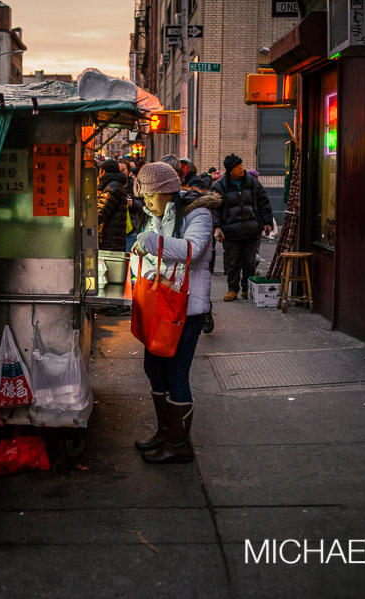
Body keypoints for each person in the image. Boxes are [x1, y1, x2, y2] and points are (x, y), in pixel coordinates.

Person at [129, 162, 214, 464]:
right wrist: (152, 275)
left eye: (151, 195)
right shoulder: (154, 218)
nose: (146, 201)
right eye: (144, 196)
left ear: (167, 191)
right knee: (154, 368)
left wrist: (151, 243)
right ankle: (165, 432)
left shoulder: (198, 214)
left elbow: (193, 249)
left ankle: (180, 445)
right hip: (161, 305)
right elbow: (143, 260)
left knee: (177, 373)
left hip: (188, 309)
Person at [210, 154, 274, 301]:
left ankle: (247, 289)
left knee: (250, 261)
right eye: (237, 166)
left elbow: (263, 202)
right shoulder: (219, 186)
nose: (241, 168)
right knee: (233, 261)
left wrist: (266, 222)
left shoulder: (252, 182)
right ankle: (232, 289)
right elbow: (215, 209)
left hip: (251, 229)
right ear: (230, 170)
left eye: (241, 165)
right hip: (231, 230)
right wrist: (217, 227)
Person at [97, 159, 128, 251]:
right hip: (113, 237)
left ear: (103, 171)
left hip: (110, 238)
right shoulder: (113, 185)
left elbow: (100, 213)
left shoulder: (112, 187)